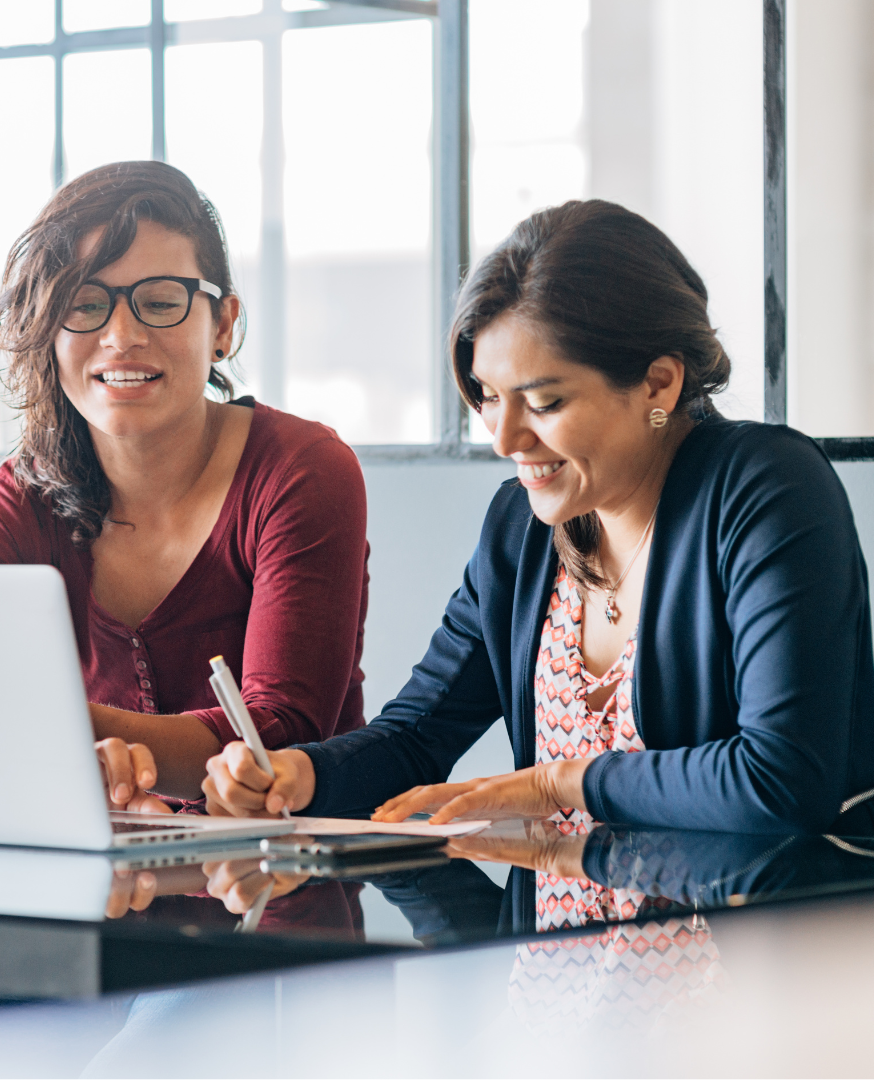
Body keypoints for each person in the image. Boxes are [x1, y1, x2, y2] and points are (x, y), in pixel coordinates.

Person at [203, 198, 874, 835]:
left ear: (659, 384)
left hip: (761, 951)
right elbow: (415, 740)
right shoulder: (521, 532)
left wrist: (560, 784)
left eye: (544, 402)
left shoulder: (765, 489)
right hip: (552, 953)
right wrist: (302, 774)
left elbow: (782, 780)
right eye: (489, 397)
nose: (505, 439)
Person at [0, 160, 369, 810]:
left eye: (161, 301)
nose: (122, 336)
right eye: (84, 304)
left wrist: (63, 740)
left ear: (222, 325)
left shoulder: (302, 471)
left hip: (293, 884)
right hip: (96, 891)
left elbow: (277, 733)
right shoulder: (5, 514)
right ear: (48, 334)